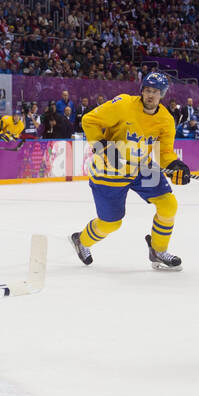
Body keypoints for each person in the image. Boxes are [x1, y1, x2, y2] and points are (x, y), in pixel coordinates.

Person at [69, 72, 188, 271]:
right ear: (142, 91)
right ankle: (82, 240)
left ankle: (158, 250)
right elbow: (89, 120)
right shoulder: (123, 104)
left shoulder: (166, 119)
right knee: (111, 223)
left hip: (142, 167)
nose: (151, 95)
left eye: (156, 92)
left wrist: (176, 165)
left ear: (162, 95)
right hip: (110, 169)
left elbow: (165, 152)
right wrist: (103, 147)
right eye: (148, 90)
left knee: (168, 205)